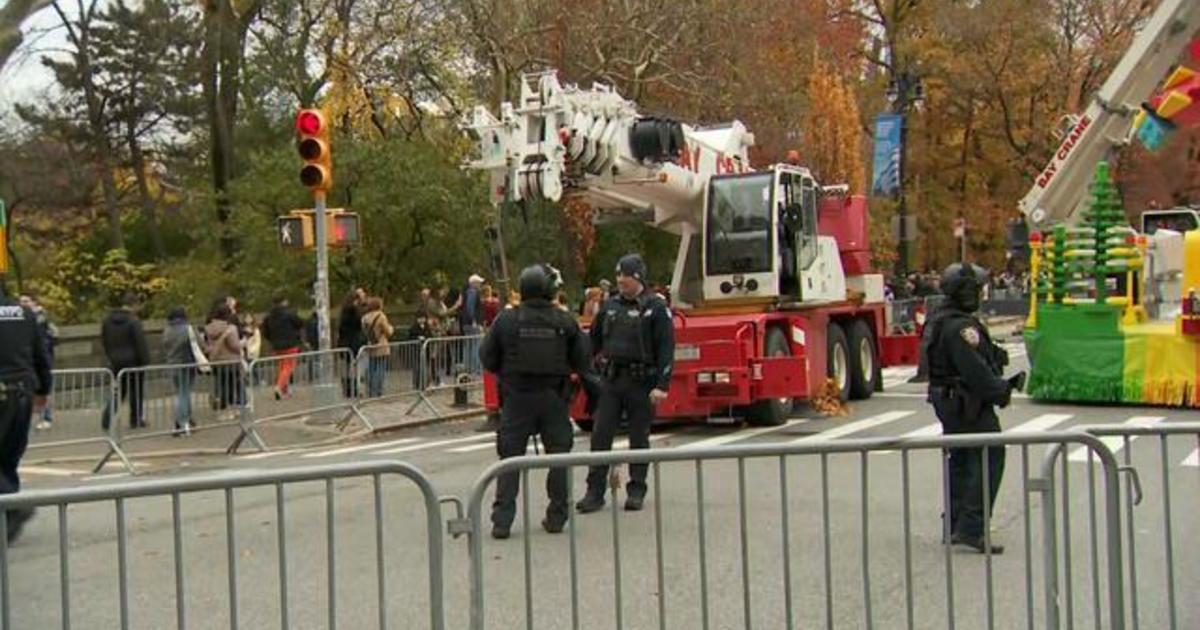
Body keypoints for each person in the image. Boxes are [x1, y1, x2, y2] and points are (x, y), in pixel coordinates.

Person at [480, 263, 594, 539]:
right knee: (558, 458)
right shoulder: (564, 321)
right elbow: (583, 359)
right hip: (553, 398)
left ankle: (502, 520)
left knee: (509, 461)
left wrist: (509, 374)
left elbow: (487, 356)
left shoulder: (507, 320)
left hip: (517, 397)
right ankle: (557, 516)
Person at [923, 262, 1026, 555]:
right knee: (989, 454)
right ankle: (971, 527)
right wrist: (1002, 391)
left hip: (950, 399)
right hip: (964, 402)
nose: (981, 294)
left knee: (962, 458)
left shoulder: (941, 319)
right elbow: (975, 372)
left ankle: (955, 524)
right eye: (977, 290)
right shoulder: (960, 328)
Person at [576, 254, 674, 514]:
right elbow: (593, 342)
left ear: (638, 277)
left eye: (625, 276)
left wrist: (663, 384)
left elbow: (666, 347)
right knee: (600, 436)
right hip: (612, 380)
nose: (620, 281)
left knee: (638, 438)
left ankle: (636, 490)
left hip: (642, 382)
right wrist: (583, 369)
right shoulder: (610, 306)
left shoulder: (655, 307)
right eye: (618, 275)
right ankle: (594, 492)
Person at [0, 282, 52, 543]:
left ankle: (15, 509)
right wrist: (43, 389)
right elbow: (40, 355)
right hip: (22, 390)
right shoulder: (24, 313)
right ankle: (8, 516)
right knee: (8, 456)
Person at [100, 293, 150, 431]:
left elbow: (104, 341)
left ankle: (106, 419)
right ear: (134, 305)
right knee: (136, 391)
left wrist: (110, 356)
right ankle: (136, 419)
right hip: (134, 361)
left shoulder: (107, 321)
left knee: (118, 391)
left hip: (116, 361)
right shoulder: (133, 322)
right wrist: (145, 360)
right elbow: (140, 343)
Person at [19, 294, 57, 431]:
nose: (22, 304)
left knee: (45, 388)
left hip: (42, 359)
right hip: (32, 359)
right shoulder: (25, 318)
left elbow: (45, 339)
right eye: (21, 301)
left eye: (26, 301)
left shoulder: (40, 318)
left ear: (34, 302)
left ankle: (46, 417)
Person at [205, 304, 245, 419]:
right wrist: (243, 343)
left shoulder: (209, 328)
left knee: (221, 385)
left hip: (217, 361)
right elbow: (234, 346)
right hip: (231, 361)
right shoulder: (230, 328)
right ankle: (230, 410)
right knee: (232, 386)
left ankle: (221, 411)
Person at [161, 308, 197, 436]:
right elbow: (197, 344)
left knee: (180, 392)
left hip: (172, 364)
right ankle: (181, 422)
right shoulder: (187, 329)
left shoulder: (167, 330)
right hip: (186, 363)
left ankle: (186, 418)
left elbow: (165, 346)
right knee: (185, 392)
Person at [262, 296, 305, 400]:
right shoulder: (289, 314)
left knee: (282, 366)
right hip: (290, 343)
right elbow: (300, 323)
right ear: (283, 302)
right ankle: (279, 387)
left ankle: (284, 390)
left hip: (277, 345)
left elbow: (265, 332)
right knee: (288, 367)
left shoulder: (268, 317)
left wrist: (272, 340)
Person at [361, 297, 394, 398]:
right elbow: (388, 331)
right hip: (381, 346)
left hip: (370, 345)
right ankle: (378, 390)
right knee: (380, 369)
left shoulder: (364, 317)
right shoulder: (381, 316)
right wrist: (392, 328)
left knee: (371, 368)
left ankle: (370, 390)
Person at [337, 290, 366, 398]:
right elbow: (359, 327)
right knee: (357, 368)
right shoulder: (355, 312)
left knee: (346, 368)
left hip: (344, 342)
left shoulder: (343, 312)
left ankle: (347, 390)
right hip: (354, 342)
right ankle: (356, 389)